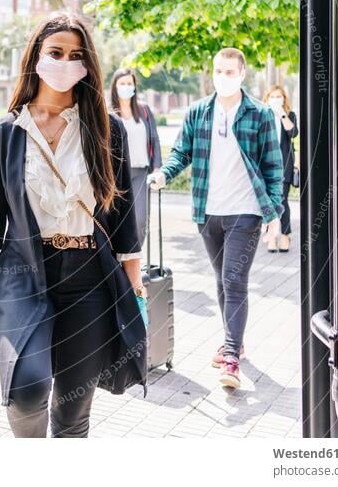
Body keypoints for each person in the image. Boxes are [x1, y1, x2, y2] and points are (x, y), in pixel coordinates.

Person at [0, 12, 149, 438]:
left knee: (72, 409)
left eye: (75, 55)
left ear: (87, 65)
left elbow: (123, 220)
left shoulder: (107, 130)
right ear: (36, 56)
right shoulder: (6, 133)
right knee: (26, 391)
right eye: (56, 52)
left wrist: (136, 291)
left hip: (88, 277)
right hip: (23, 274)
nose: (65, 61)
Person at [149, 47, 283, 390]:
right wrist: (165, 173)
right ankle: (231, 340)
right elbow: (183, 151)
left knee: (234, 282)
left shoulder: (260, 114)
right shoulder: (199, 112)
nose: (222, 77)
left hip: (246, 212)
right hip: (207, 213)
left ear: (241, 75)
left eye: (229, 72)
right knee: (223, 281)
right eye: (217, 71)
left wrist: (276, 212)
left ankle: (232, 358)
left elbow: (273, 167)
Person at [109, 68, 163, 245]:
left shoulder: (144, 110)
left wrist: (157, 168)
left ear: (134, 86)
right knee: (116, 219)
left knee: (140, 219)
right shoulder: (108, 112)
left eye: (129, 83)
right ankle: (117, 264)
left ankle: (135, 260)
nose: (126, 87)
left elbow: (154, 138)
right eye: (122, 83)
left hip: (141, 173)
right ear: (115, 86)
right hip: (115, 174)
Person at [263, 85, 298, 252]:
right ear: (267, 98)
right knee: (268, 202)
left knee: (282, 200)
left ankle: (284, 235)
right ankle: (271, 235)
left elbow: (293, 133)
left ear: (284, 98)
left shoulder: (289, 115)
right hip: (266, 166)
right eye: (273, 96)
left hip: (284, 165)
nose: (276, 99)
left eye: (279, 96)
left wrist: (282, 114)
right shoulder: (263, 115)